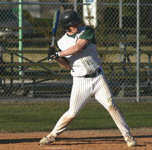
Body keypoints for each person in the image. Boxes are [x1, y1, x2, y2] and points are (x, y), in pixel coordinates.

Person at [39, 9, 137, 147]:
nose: (78, 24)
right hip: (80, 81)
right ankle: (52, 135)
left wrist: (58, 54)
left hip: (98, 77)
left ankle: (128, 136)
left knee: (111, 105)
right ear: (69, 26)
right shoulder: (61, 42)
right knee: (72, 113)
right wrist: (56, 58)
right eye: (75, 23)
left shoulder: (87, 31)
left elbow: (79, 47)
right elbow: (66, 66)